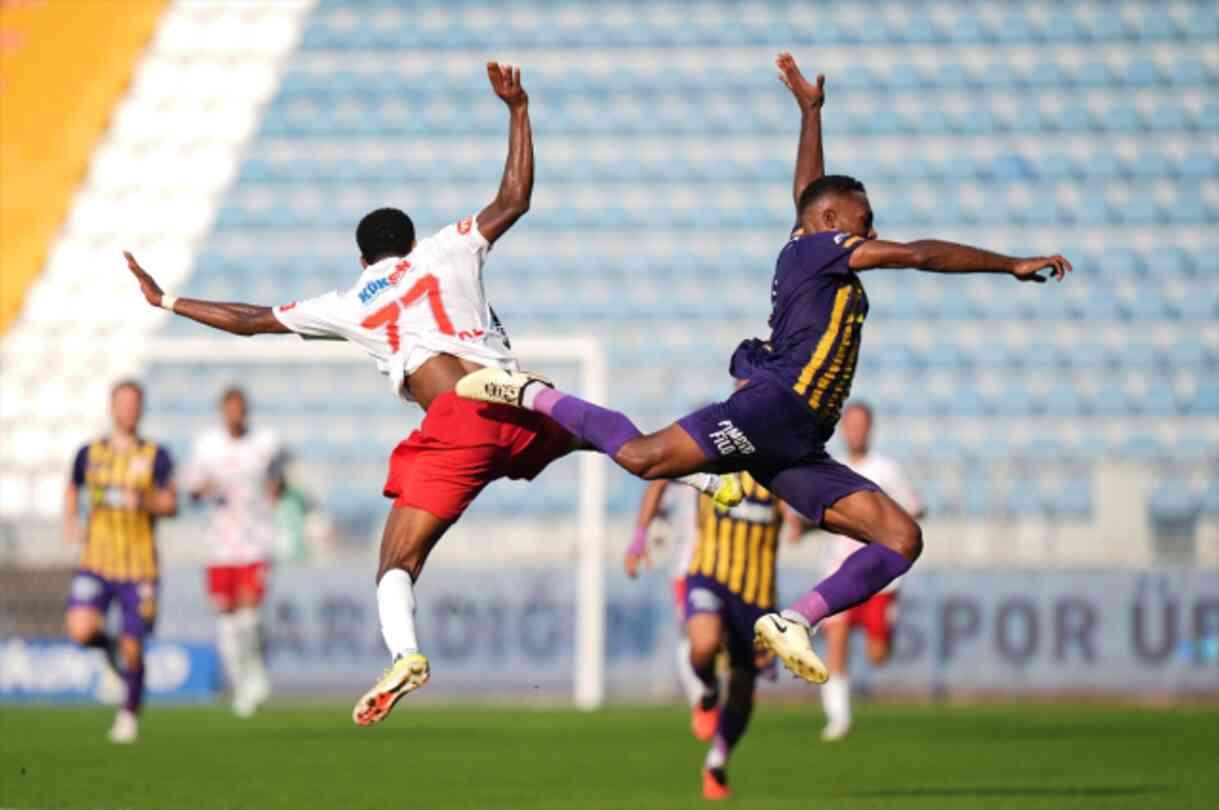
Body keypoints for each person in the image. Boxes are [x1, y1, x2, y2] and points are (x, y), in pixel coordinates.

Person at [122, 63, 738, 727]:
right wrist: (518, 109)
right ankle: (705, 477)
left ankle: (405, 653)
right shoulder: (449, 247)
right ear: (410, 241)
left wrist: (170, 299)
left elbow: (251, 320)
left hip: (460, 423)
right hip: (520, 404)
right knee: (598, 431)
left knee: (397, 560)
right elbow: (514, 198)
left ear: (364, 261)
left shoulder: (350, 300)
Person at [458, 51, 1072, 684]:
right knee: (641, 459)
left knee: (901, 538)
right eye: (864, 224)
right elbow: (916, 254)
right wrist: (1011, 263)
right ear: (834, 226)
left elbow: (810, 196)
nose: (872, 233)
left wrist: (810, 113)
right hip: (774, 407)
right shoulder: (823, 249)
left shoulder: (810, 245)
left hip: (799, 440)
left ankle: (795, 619)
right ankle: (530, 392)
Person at [628, 460, 803, 800]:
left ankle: (716, 763)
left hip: (757, 593)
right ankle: (707, 690)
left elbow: (802, 514)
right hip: (707, 575)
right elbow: (660, 473)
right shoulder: (710, 458)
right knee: (704, 642)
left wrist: (800, 523)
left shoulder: (779, 470)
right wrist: (639, 538)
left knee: (742, 685)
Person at [63, 379, 177, 743]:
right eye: (122, 403)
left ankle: (129, 713)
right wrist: (71, 520)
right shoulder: (89, 453)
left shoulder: (156, 456)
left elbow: (172, 503)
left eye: (134, 403)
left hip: (139, 566)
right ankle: (107, 647)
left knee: (134, 646)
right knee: (80, 630)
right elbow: (72, 486)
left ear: (141, 410)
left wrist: (143, 501)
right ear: (112, 408)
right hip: (96, 559)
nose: (128, 410)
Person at [817, 401, 924, 741]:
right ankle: (839, 719)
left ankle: (886, 630)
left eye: (862, 424)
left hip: (880, 577)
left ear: (870, 429)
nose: (856, 430)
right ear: (842, 427)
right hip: (841, 570)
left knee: (877, 655)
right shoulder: (831, 468)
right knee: (836, 640)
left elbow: (913, 511)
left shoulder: (886, 469)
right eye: (851, 424)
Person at [185, 386, 282, 717]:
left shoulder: (264, 443)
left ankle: (256, 671)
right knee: (226, 619)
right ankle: (241, 684)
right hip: (220, 545)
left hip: (255, 541)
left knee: (250, 616)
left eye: (240, 409)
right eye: (230, 409)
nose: (235, 415)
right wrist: (204, 488)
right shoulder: (206, 446)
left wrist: (275, 492)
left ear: (247, 411)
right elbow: (193, 491)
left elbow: (278, 482)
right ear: (221, 412)